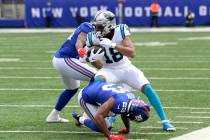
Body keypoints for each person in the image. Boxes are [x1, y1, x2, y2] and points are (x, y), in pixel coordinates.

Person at [85, 10, 176, 131]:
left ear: (109, 25)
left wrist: (113, 45)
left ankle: (165, 122)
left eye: (100, 26)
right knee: (96, 85)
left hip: (126, 67)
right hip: (108, 69)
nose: (97, 28)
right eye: (96, 25)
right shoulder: (92, 37)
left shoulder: (120, 30)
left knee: (148, 89)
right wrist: (91, 59)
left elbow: (132, 53)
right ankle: (97, 115)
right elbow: (93, 61)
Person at [46, 22, 103, 123]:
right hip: (66, 60)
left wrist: (106, 70)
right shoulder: (88, 28)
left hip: (62, 60)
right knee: (98, 77)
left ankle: (53, 116)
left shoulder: (93, 32)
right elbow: (79, 42)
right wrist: (81, 50)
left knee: (72, 88)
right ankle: (88, 113)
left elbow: (92, 58)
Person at [72, 80, 150, 140]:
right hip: (86, 97)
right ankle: (80, 119)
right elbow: (99, 116)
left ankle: (90, 112)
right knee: (103, 126)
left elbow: (125, 112)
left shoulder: (132, 100)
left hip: (97, 90)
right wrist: (110, 135)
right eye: (134, 118)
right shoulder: (120, 103)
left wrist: (127, 129)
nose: (133, 119)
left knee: (111, 113)